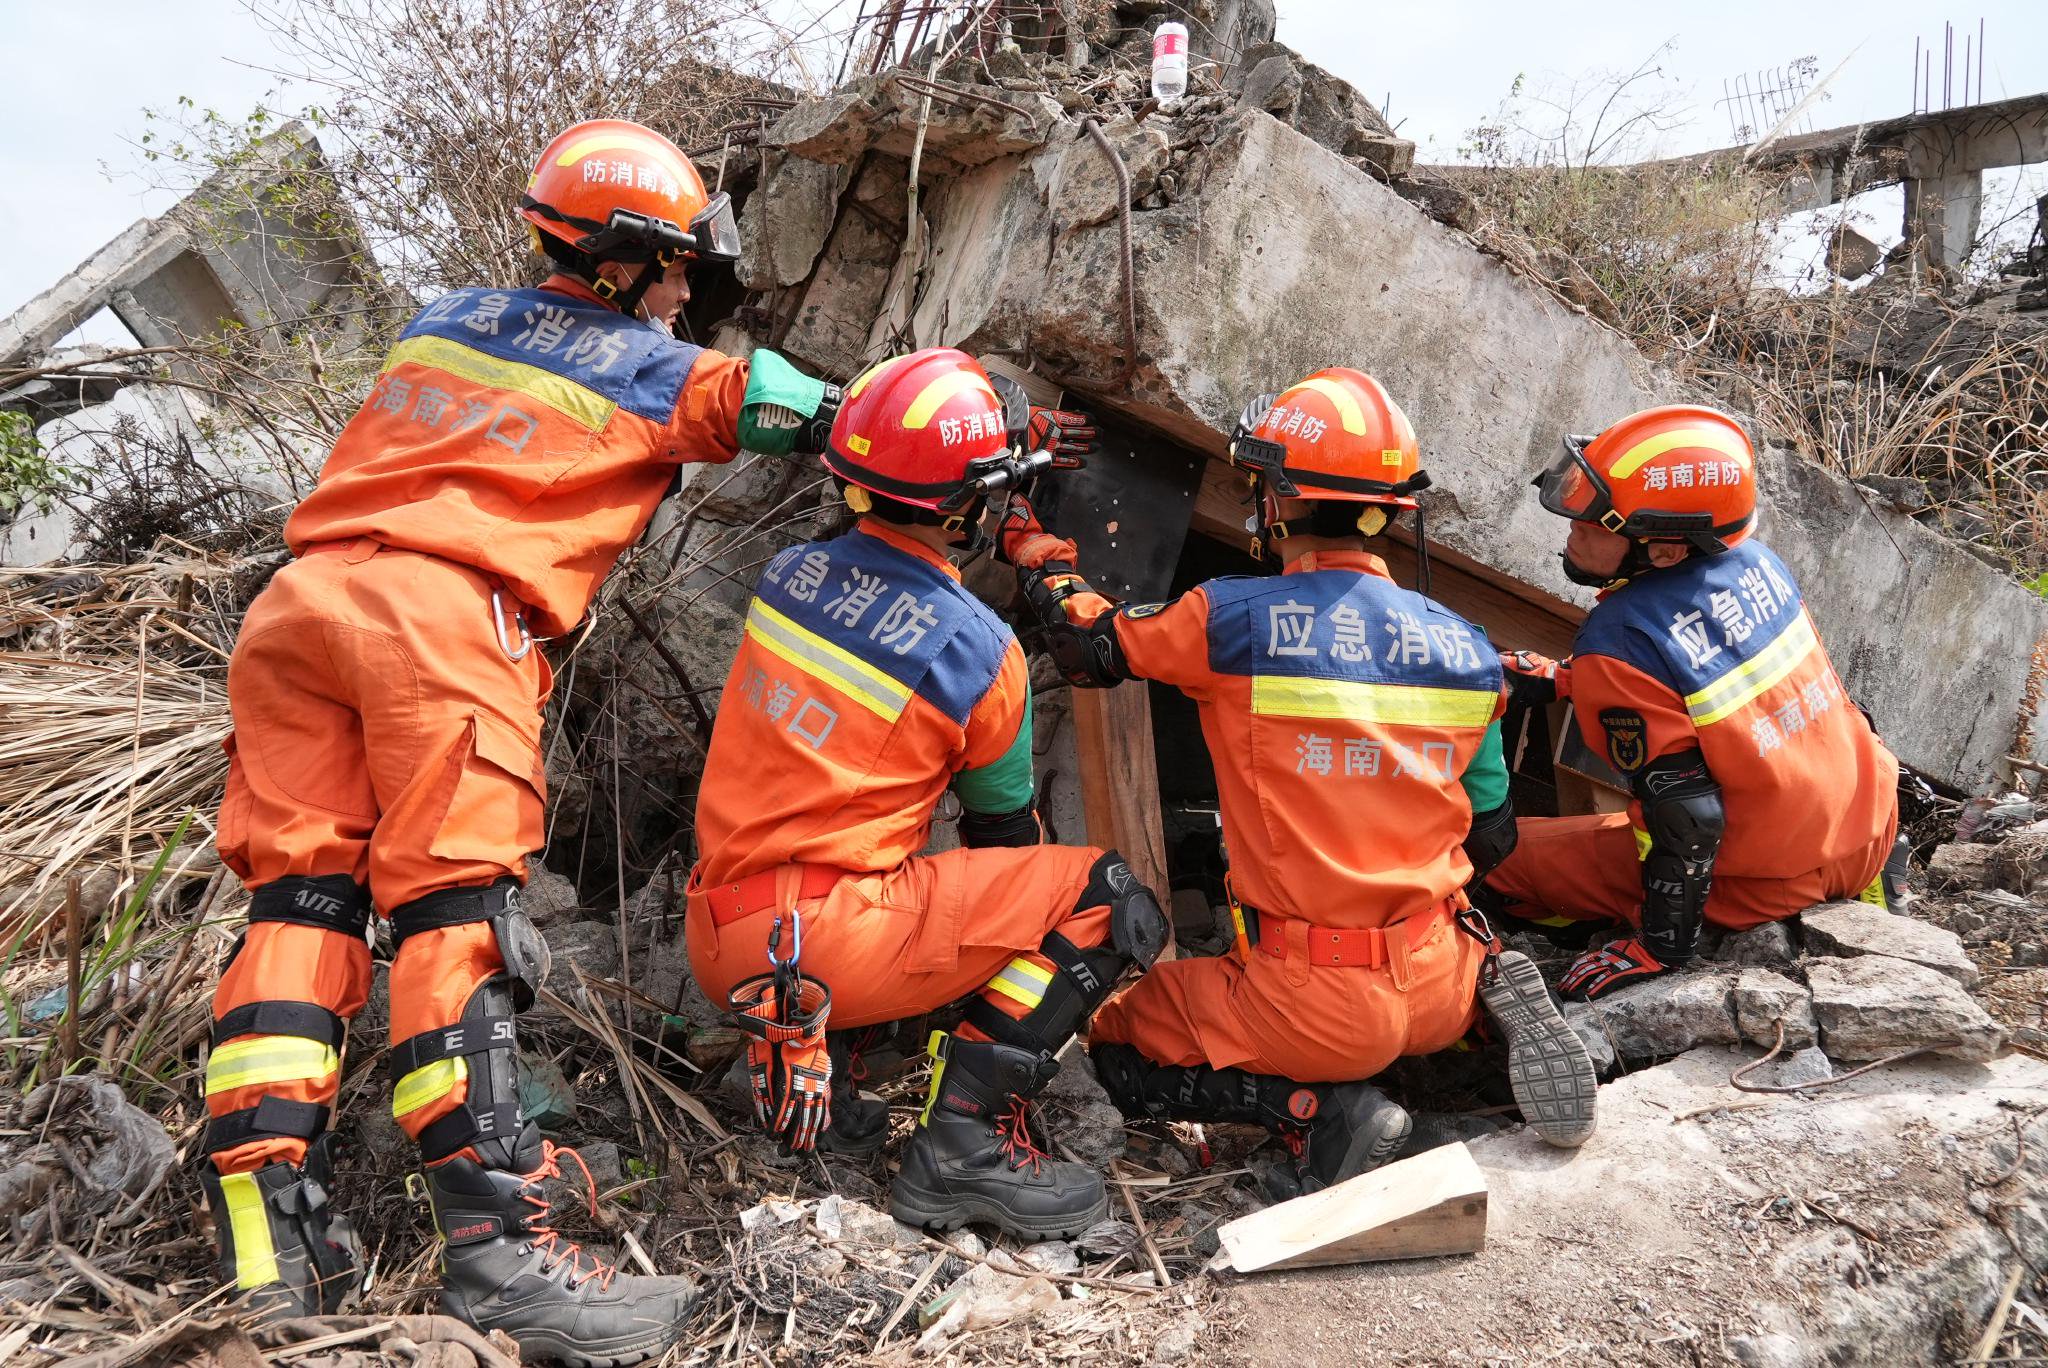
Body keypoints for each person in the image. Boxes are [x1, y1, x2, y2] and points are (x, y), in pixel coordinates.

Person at [199, 118, 843, 1363]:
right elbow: (775, 406)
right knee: (452, 917)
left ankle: (271, 1245)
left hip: (301, 603)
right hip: (446, 624)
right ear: (624, 261)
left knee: (300, 909)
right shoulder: (647, 365)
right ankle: (502, 1254)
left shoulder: (440, 320)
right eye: (672, 272)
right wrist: (901, 421)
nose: (679, 297)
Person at [1000, 368, 1598, 1195]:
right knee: (1418, 955)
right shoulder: (1469, 650)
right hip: (1439, 971)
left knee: (1116, 1033)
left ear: (1275, 503)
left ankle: (1319, 1110)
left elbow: (1092, 646)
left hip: (1313, 1000)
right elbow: (1491, 831)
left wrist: (1039, 555)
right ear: (1394, 511)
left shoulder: (1230, 619)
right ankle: (1472, 1031)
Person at [684, 346, 1168, 1241]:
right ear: (970, 506)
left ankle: (821, 1090)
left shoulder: (787, 577)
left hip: (720, 934)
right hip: (827, 948)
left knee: (882, 857)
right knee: (1101, 899)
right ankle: (963, 1146)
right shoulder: (981, 652)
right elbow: (1004, 842)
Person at [1481, 404, 1902, 1000]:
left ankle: (1610, 928)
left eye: (1596, 520)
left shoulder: (1620, 637)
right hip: (1868, 824)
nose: (1572, 524)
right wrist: (1571, 679)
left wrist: (1660, 946)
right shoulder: (1759, 565)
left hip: (1764, 880)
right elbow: (1717, 676)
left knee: (1489, 852)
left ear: (1667, 551)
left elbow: (1690, 820)